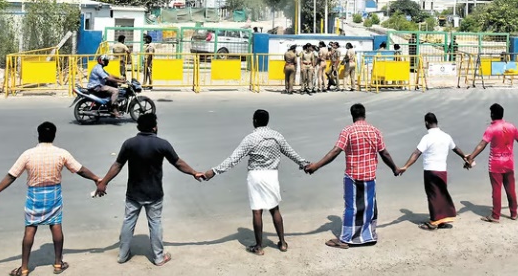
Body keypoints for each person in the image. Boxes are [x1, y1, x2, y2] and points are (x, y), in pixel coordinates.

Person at [0, 122, 102, 276]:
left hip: (34, 195)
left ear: (38, 135)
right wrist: (96, 178)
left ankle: (25, 268)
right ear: (54, 135)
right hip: (54, 193)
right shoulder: (61, 153)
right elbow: (80, 169)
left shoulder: (28, 154)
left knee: (30, 228)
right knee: (56, 225)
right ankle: (58, 263)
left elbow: (12, 175)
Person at [95, 113, 202, 266]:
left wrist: (103, 182)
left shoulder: (129, 144)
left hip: (133, 193)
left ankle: (122, 255)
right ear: (154, 127)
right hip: (154, 194)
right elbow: (178, 163)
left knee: (128, 222)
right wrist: (194, 172)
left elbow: (117, 165)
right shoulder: (162, 144)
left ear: (139, 127)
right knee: (155, 223)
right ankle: (159, 258)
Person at [199, 110, 309, 255]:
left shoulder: (251, 138)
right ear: (267, 121)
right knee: (274, 209)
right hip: (271, 175)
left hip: (255, 176)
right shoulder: (277, 136)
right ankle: (282, 243)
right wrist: (304, 164)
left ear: (255, 121)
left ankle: (259, 247)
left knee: (257, 211)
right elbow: (290, 152)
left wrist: (213, 171)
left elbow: (233, 159)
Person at [304, 104, 399, 249]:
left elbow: (335, 151)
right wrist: (395, 168)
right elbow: (384, 153)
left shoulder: (348, 131)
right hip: (370, 176)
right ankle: (369, 236)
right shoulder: (375, 131)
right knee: (369, 206)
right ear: (364, 114)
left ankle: (346, 239)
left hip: (353, 176)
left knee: (351, 207)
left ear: (352, 115)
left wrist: (316, 166)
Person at [397, 112, 469, 230]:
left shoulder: (427, 138)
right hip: (442, 170)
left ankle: (434, 221)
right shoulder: (446, 136)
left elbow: (416, 153)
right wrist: (464, 157)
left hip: (431, 170)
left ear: (426, 123)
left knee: (433, 196)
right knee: (441, 194)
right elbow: (455, 148)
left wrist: (406, 166)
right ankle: (442, 220)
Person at [464, 104, 518, 223]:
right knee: (511, 188)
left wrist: (471, 157)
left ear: (492, 114)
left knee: (496, 190)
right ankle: (514, 213)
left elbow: (482, 145)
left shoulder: (491, 129)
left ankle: (495, 215)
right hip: (509, 163)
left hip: (495, 164)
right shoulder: (511, 126)